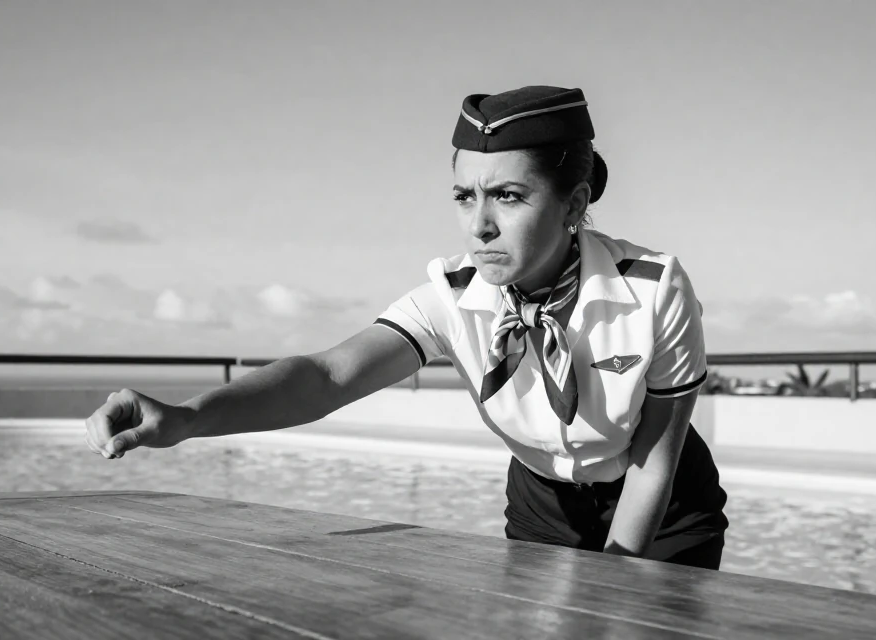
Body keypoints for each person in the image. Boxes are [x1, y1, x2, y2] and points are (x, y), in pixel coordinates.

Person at [83, 85, 729, 569]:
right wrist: (187, 417)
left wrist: (615, 583)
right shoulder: (451, 299)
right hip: (542, 504)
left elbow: (654, 458)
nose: (479, 226)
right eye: (463, 196)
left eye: (507, 196)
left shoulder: (653, 290)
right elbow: (327, 375)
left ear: (576, 204)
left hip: (665, 506)